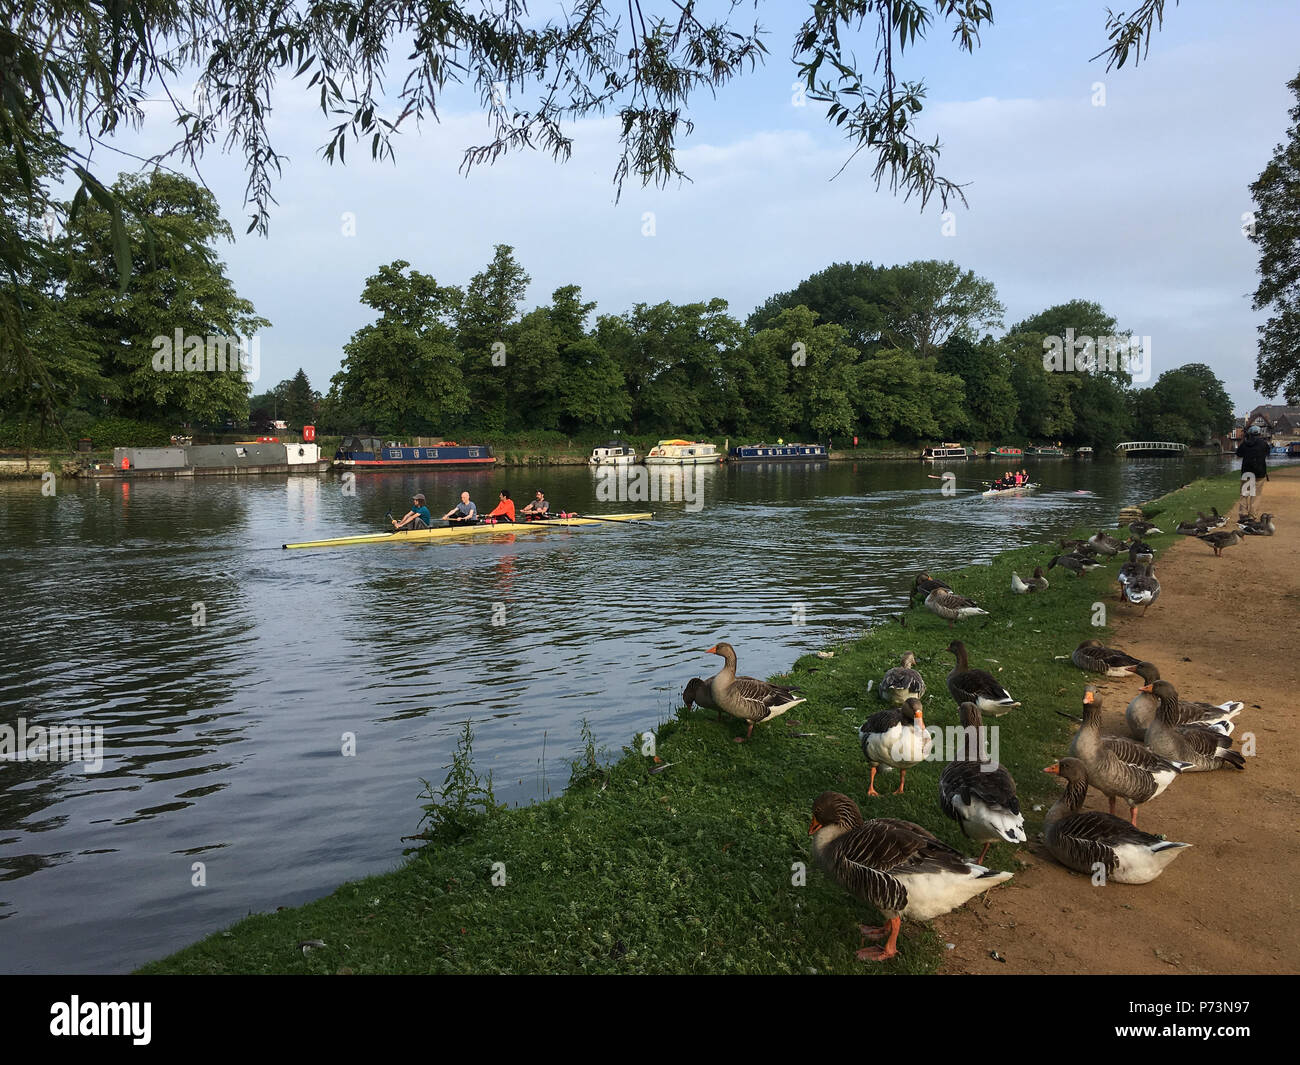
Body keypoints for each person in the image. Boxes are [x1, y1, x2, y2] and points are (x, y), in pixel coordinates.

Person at [1236, 424, 1270, 516]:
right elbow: (1267, 452)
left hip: (1247, 472)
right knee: (1256, 494)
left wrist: (1245, 440)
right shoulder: (1263, 444)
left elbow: (1238, 453)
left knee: (1244, 493)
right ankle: (1252, 514)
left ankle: (1242, 513)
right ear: (1259, 434)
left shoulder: (1245, 443)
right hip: (1260, 472)